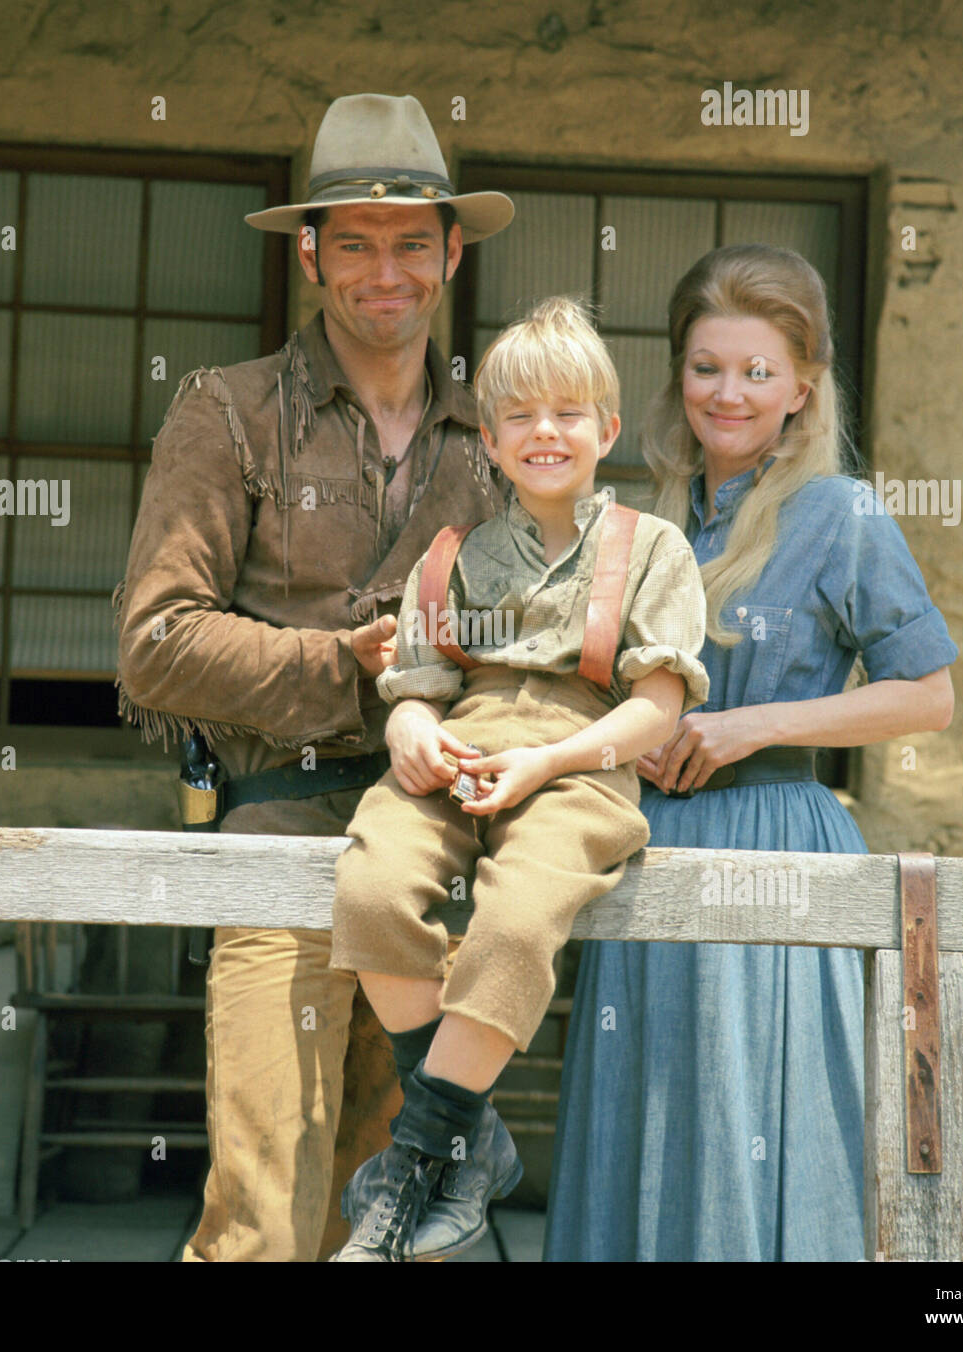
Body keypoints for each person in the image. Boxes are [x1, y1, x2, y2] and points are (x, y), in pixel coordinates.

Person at [113, 93, 515, 1262]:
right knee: (259, 1217)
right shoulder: (225, 413)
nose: (381, 271)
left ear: (450, 251)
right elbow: (155, 640)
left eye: (408, 242)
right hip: (275, 836)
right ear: (309, 254)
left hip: (431, 862)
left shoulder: (498, 437)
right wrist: (347, 670)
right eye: (352, 242)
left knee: (394, 1225)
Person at [544, 244, 959, 1261]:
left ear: (801, 386)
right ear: (678, 372)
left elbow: (930, 694)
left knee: (749, 1115)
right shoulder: (643, 515)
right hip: (644, 842)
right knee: (646, 1103)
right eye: (705, 366)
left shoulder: (841, 513)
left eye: (756, 371)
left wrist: (753, 724)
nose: (727, 393)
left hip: (774, 834)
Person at [326, 296, 711, 1261]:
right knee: (371, 886)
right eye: (522, 418)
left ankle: (413, 1164)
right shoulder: (451, 556)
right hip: (464, 745)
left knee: (513, 921)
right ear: (490, 440)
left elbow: (657, 708)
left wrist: (549, 759)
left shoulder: (652, 548)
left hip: (580, 763)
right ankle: (472, 1137)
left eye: (569, 413)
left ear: (607, 430)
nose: (547, 433)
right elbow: (414, 686)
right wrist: (411, 724)